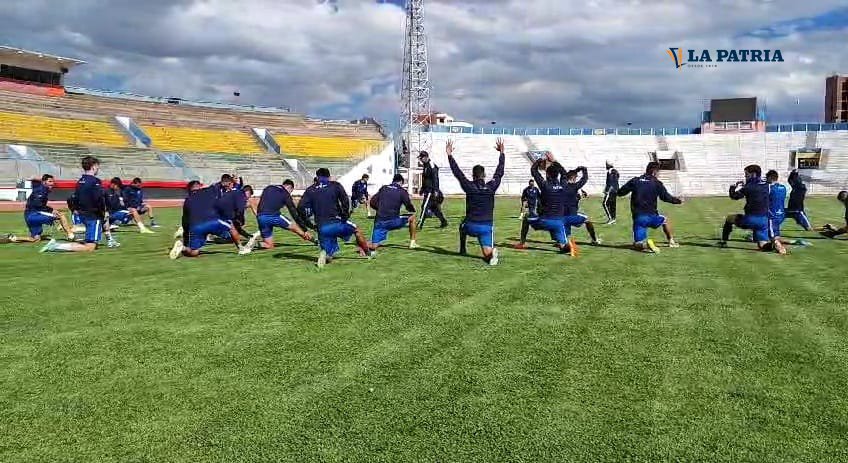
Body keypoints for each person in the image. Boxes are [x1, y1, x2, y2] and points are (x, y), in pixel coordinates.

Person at [298, 168, 372, 268]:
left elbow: (300, 208)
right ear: (329, 177)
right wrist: (345, 216)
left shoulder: (310, 190)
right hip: (336, 222)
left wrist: (309, 225)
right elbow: (345, 201)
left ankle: (325, 254)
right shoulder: (335, 185)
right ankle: (368, 253)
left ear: (317, 177)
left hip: (321, 227)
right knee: (357, 230)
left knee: (329, 255)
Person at [447, 137, 505, 265]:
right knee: (486, 252)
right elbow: (499, 173)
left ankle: (463, 249)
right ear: (484, 175)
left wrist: (450, 155)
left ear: (473, 175)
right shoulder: (491, 187)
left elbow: (458, 173)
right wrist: (502, 153)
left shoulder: (469, 186)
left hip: (471, 225)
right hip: (486, 226)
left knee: (462, 225)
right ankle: (490, 254)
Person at [41, 156, 116, 253]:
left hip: (83, 214)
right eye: (97, 167)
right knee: (90, 247)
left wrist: (75, 209)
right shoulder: (95, 181)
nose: (98, 169)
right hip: (94, 216)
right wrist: (104, 212)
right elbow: (99, 199)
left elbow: (74, 198)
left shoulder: (80, 181)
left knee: (90, 242)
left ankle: (57, 245)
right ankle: (56, 246)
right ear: (93, 167)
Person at [168, 182, 251, 259]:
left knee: (194, 252)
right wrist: (234, 182)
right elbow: (221, 184)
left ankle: (183, 248)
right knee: (231, 226)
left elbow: (185, 223)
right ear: (200, 186)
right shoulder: (208, 191)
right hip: (213, 220)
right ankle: (241, 248)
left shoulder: (187, 201)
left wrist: (186, 240)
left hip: (196, 226)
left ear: (189, 190)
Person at [719, 164, 786, 254]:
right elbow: (759, 187)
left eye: (746, 175)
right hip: (763, 221)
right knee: (762, 245)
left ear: (753, 174)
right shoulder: (766, 185)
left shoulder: (748, 187)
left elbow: (734, 196)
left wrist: (733, 186)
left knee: (729, 218)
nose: (745, 177)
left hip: (750, 219)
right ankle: (775, 244)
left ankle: (723, 241)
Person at [617, 161, 683, 253]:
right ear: (654, 172)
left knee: (637, 244)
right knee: (665, 220)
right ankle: (671, 241)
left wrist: (615, 191)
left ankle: (646, 244)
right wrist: (678, 201)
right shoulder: (657, 183)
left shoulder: (635, 180)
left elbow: (621, 192)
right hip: (652, 216)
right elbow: (665, 197)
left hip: (639, 218)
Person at [524, 154, 574, 256]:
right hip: (559, 222)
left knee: (526, 218)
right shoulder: (562, 185)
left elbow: (534, 170)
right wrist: (554, 161)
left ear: (547, 174)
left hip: (545, 220)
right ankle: (566, 246)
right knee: (562, 247)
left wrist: (539, 160)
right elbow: (564, 173)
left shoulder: (545, 185)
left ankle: (521, 242)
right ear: (557, 175)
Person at [244, 179, 313, 250]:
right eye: (291, 191)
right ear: (290, 187)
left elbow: (261, 202)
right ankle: (311, 238)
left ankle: (254, 243)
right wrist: (305, 229)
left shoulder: (268, 188)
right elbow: (294, 213)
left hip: (261, 217)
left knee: (269, 245)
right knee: (294, 227)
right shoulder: (285, 193)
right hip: (274, 216)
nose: (290, 193)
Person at [5, 174, 75, 243]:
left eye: (53, 182)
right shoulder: (41, 191)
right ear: (44, 182)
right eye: (50, 181)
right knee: (61, 215)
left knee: (35, 239)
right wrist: (51, 210)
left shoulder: (41, 188)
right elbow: (38, 205)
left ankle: (14, 238)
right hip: (34, 215)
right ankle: (70, 235)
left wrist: (33, 178)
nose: (52, 183)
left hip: (28, 216)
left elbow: (35, 182)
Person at [368, 174, 418, 251]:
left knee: (374, 246)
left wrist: (379, 209)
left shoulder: (384, 188)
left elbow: (372, 202)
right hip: (393, 220)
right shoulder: (402, 191)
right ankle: (412, 243)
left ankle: (363, 245)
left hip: (380, 221)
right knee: (413, 218)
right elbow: (408, 205)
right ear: (401, 182)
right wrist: (413, 210)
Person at [563, 167, 601, 247]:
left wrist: (575, 171)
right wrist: (584, 169)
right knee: (588, 220)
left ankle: (562, 241)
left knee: (566, 229)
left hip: (562, 215)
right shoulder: (575, 186)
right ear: (573, 178)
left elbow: (568, 176)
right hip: (572, 215)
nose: (576, 179)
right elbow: (585, 178)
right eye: (576, 177)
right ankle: (594, 240)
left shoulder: (562, 184)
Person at [417, 150, 448, 228]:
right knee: (434, 209)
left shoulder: (431, 165)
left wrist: (436, 190)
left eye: (421, 158)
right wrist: (422, 189)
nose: (420, 160)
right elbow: (425, 179)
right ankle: (444, 222)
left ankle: (420, 224)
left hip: (431, 191)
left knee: (424, 207)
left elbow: (435, 178)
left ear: (426, 157)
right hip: (427, 190)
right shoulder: (425, 165)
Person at [514, 179, 541, 249]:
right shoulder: (526, 190)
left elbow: (539, 197)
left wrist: (539, 206)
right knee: (525, 223)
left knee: (526, 223)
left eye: (533, 184)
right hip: (528, 208)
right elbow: (523, 198)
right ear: (529, 184)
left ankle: (522, 242)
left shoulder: (536, 189)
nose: (532, 185)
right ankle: (522, 243)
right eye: (531, 184)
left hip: (534, 208)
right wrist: (524, 202)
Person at [765, 170, 788, 244]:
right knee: (774, 234)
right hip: (781, 215)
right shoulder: (783, 187)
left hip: (772, 215)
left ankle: (781, 248)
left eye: (767, 178)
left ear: (770, 178)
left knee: (774, 238)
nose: (766, 180)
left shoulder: (769, 188)